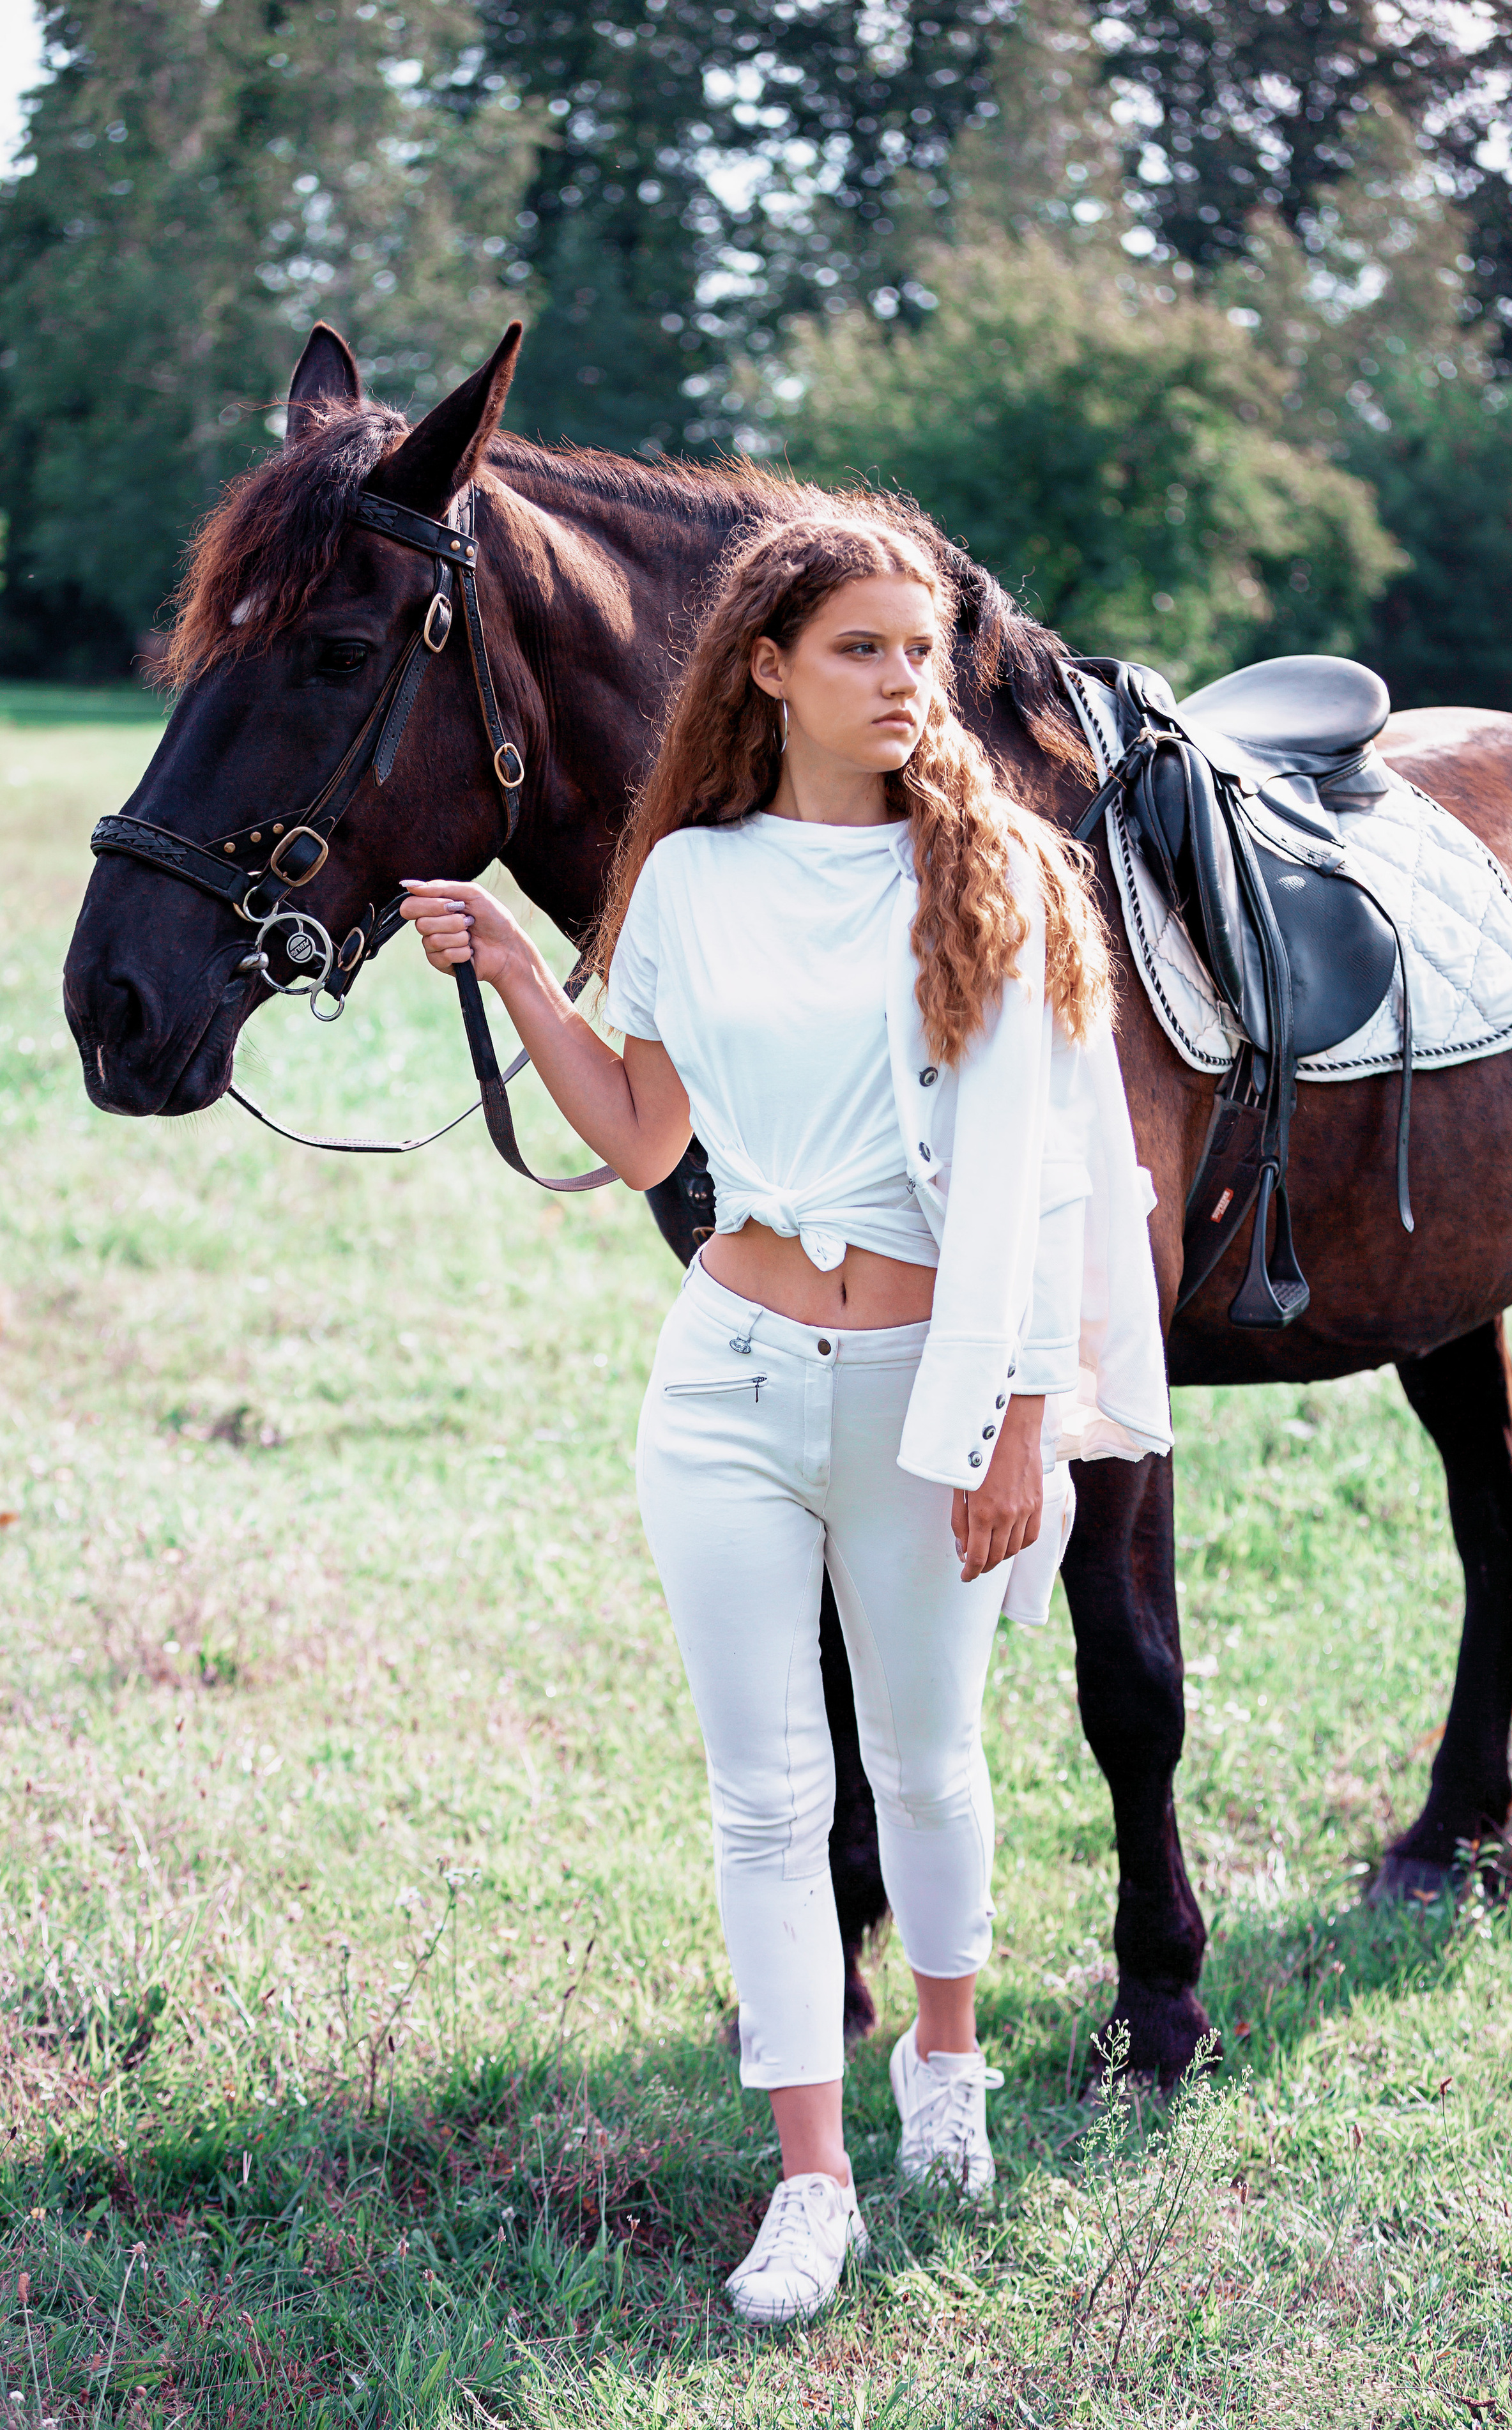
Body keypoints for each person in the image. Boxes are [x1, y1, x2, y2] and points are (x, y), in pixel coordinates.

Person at [401, 501, 1170, 2325]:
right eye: (861, 650)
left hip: (926, 1393)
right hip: (727, 1384)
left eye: (921, 653)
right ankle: (810, 2180)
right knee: (765, 1796)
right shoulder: (686, 880)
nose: (906, 682)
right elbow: (644, 1137)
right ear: (766, 668)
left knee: (928, 1763)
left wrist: (1020, 1421)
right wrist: (517, 972)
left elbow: (1052, 1180)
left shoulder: (996, 875)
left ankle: (949, 2062)